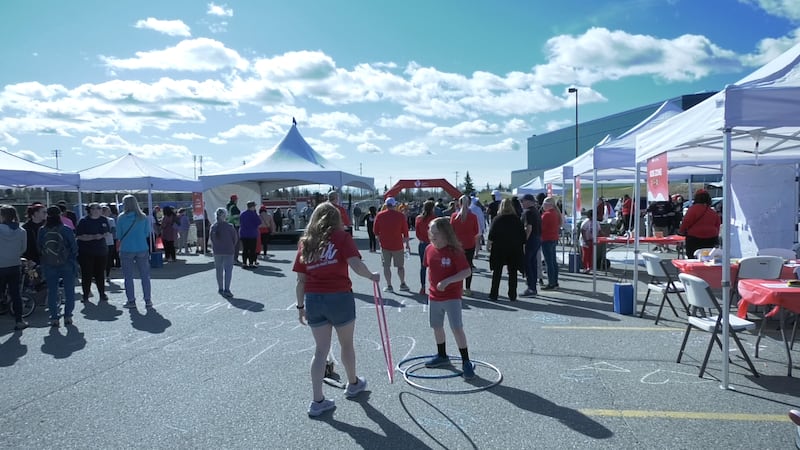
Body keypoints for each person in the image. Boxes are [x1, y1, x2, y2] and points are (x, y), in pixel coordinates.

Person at [292, 202, 380, 417]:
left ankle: (317, 400)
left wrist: (300, 306)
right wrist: (371, 276)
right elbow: (356, 264)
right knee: (346, 344)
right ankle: (353, 383)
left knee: (320, 350)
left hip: (314, 298)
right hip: (339, 296)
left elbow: (300, 280)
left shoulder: (307, 242)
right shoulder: (341, 238)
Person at [422, 217, 475, 378]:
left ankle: (466, 361)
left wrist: (447, 281)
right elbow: (428, 269)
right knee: (436, 327)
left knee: (456, 328)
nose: (432, 237)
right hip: (434, 296)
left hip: (451, 296)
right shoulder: (429, 249)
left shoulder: (455, 251)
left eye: (435, 233)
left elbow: (467, 272)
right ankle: (442, 355)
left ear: (446, 233)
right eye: (431, 233)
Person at [38, 206, 78, 328]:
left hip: (49, 263)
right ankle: (68, 316)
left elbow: (39, 247)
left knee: (52, 291)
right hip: (67, 263)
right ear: (60, 215)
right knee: (69, 290)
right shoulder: (66, 229)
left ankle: (54, 317)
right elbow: (74, 247)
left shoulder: (42, 230)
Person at [116, 195, 153, 309]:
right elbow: (147, 233)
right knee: (145, 276)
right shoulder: (143, 217)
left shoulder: (121, 218)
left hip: (127, 248)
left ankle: (131, 300)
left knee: (128, 277)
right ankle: (148, 300)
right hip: (141, 247)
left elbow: (118, 235)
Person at [487, 198, 525, 301]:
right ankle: (512, 294)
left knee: (497, 272)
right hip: (514, 248)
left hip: (499, 248)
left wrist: (488, 246)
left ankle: (494, 294)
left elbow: (491, 235)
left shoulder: (497, 219)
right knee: (513, 273)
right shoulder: (517, 219)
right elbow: (523, 236)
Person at [0, 205, 29, 330]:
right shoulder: (22, 231)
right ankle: (19, 320)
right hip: (14, 264)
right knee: (15, 294)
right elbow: (23, 249)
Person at [373, 197, 410, 292]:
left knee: (386, 266)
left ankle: (389, 285)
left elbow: (375, 231)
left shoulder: (380, 215)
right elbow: (405, 232)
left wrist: (380, 241)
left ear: (386, 205)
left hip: (385, 245)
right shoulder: (400, 216)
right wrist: (407, 245)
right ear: (394, 205)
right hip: (398, 244)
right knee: (400, 266)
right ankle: (402, 283)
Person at [76, 202, 111, 302]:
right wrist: (93, 237)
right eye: (94, 209)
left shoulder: (104, 220)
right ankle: (86, 295)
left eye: (99, 208)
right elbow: (79, 236)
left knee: (100, 274)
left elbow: (107, 232)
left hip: (101, 251)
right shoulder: (83, 221)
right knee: (87, 274)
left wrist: (103, 235)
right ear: (89, 210)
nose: (97, 210)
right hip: (86, 251)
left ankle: (102, 294)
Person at [449, 195, 479, 297]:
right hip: (470, 243)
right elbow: (476, 231)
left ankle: (458, 287)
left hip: (457, 244)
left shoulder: (454, 216)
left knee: (457, 267)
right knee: (468, 265)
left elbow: (451, 231)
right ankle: (468, 288)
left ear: (459, 203)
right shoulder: (473, 217)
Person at [678, 189, 721, 258]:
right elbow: (717, 224)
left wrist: (681, 231)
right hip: (711, 238)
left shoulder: (692, 209)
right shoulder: (712, 211)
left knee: (692, 258)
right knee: (708, 258)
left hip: (694, 238)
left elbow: (686, 222)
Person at [210, 208, 238, 297]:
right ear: (225, 216)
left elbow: (211, 239)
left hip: (217, 251)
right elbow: (235, 239)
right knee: (228, 271)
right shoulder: (230, 226)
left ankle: (220, 289)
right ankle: (227, 289)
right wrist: (231, 246)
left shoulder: (213, 226)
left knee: (219, 270)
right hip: (228, 250)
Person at [520, 194, 542, 296]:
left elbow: (529, 228)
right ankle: (533, 285)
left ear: (528, 201)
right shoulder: (536, 211)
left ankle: (531, 287)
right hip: (537, 238)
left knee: (528, 264)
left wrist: (524, 240)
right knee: (533, 263)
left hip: (531, 239)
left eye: (523, 201)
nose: (522, 203)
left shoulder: (528, 212)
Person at [415, 200, 437, 295]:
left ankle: (423, 286)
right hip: (433, 244)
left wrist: (422, 239)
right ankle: (434, 286)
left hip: (423, 244)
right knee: (435, 267)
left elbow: (417, 233)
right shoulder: (434, 219)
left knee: (423, 266)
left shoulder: (419, 218)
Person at [540, 197, 562, 290]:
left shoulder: (546, 215)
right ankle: (555, 282)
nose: (543, 206)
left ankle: (551, 283)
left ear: (549, 205)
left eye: (544, 204)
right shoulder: (556, 214)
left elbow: (541, 228)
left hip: (546, 239)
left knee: (549, 263)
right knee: (553, 262)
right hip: (553, 238)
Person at [239, 201, 261, 268]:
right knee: (252, 249)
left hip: (243, 234)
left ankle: (244, 263)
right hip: (252, 234)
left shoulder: (242, 214)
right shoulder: (254, 214)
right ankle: (251, 263)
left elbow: (240, 222)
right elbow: (259, 222)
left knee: (245, 249)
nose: (255, 208)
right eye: (254, 206)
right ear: (252, 207)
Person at [101, 204, 117, 282]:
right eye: (108, 211)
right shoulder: (99, 220)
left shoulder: (111, 220)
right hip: (101, 242)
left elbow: (113, 230)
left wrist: (107, 231)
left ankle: (107, 274)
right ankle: (101, 274)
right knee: (102, 259)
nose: (109, 212)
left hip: (110, 241)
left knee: (109, 259)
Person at [579, 209, 599, 274]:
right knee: (586, 255)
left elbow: (599, 230)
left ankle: (589, 267)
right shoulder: (585, 222)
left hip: (592, 240)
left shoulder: (596, 222)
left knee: (591, 254)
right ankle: (584, 268)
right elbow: (582, 231)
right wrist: (585, 240)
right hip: (585, 240)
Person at [227, 195, 241, 263]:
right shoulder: (234, 207)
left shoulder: (228, 206)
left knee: (231, 243)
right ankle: (235, 258)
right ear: (235, 200)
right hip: (235, 226)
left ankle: (230, 258)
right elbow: (236, 217)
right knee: (236, 243)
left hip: (229, 225)